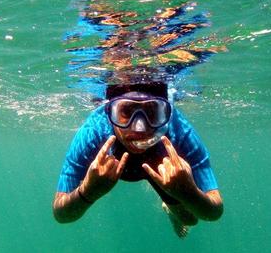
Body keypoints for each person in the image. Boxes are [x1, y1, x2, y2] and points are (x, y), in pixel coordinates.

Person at [52, 82, 223, 237]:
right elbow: (60, 213)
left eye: (152, 112)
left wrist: (188, 191)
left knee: (189, 219)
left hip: (162, 164)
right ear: (109, 111)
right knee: (190, 217)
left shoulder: (179, 131)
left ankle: (168, 205)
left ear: (164, 112)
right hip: (134, 164)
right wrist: (87, 191)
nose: (139, 127)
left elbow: (214, 211)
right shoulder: (93, 132)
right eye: (126, 111)